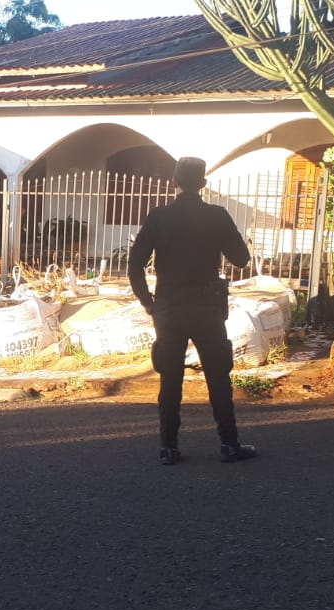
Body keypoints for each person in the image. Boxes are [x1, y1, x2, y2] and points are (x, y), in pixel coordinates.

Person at [128, 157, 258, 466]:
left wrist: (148, 302)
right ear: (203, 183)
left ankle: (168, 448)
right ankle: (229, 444)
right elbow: (241, 259)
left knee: (170, 379)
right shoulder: (217, 216)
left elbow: (134, 265)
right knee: (218, 377)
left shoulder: (159, 217)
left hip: (168, 307)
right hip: (207, 306)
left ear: (174, 182)